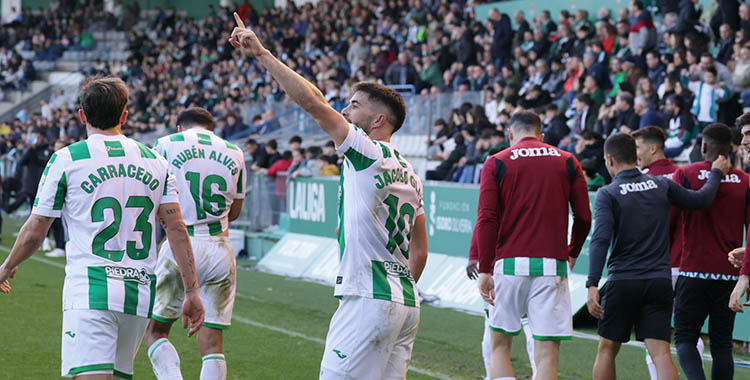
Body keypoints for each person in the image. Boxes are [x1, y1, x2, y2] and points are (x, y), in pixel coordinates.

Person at [230, 14, 429, 380]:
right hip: (405, 304)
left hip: (369, 298)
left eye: (354, 105)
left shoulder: (366, 151)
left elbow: (313, 103)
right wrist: (401, 289)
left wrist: (262, 55)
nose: (344, 110)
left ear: (379, 120)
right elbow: (421, 250)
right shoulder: (412, 174)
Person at [0, 75, 205, 379]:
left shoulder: (67, 159)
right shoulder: (156, 162)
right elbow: (176, 229)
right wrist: (192, 291)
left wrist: (7, 265)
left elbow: (35, 229)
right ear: (124, 115)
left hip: (91, 291)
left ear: (82, 115)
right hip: (138, 292)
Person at [587, 132, 728, 380]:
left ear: (609, 159)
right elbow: (702, 200)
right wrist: (716, 173)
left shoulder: (608, 194)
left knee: (607, 349)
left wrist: (592, 283)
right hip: (659, 282)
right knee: (660, 353)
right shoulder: (662, 185)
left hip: (624, 281)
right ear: (635, 156)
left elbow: (600, 240)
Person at [476, 111, 592, 380]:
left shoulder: (496, 162)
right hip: (552, 265)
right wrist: (572, 251)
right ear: (541, 135)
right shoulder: (567, 160)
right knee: (547, 356)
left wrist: (484, 268)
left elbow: (487, 218)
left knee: (500, 348)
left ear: (510, 135)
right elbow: (585, 216)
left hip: (508, 264)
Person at [146, 107, 247, 380]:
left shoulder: (165, 145)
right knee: (213, 341)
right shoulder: (235, 151)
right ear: (210, 127)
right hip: (219, 247)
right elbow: (235, 211)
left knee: (155, 331)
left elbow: (154, 197)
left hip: (181, 242)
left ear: (180, 127)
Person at [672, 123, 746, 380]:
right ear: (732, 148)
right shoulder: (746, 181)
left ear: (703, 146)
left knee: (684, 338)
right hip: (729, 277)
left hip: (693, 272)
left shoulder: (685, 173)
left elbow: (670, 221)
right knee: (722, 344)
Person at [631, 126, 705, 380]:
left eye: (638, 148)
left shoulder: (647, 179)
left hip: (662, 265)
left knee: (654, 333)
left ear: (653, 148)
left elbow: (655, 226)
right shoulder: (684, 173)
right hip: (693, 263)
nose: (635, 154)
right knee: (688, 330)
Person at [467, 230, 536, 380]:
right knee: (537, 334)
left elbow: (485, 219)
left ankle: (491, 375)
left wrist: (475, 257)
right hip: (540, 266)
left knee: (497, 339)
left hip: (503, 266)